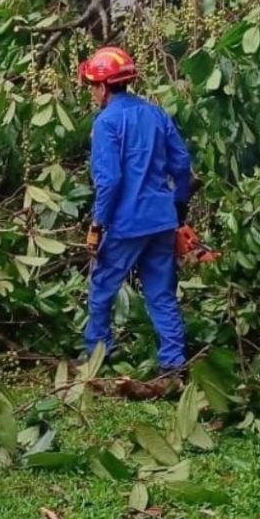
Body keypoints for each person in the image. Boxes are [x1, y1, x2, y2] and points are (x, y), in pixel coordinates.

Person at [78, 46, 194, 384]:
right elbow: (183, 165)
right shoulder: (156, 114)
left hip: (126, 223)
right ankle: (173, 365)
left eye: (92, 86)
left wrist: (98, 224)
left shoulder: (106, 122)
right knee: (161, 293)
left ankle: (96, 356)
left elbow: (110, 180)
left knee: (102, 289)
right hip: (161, 219)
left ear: (101, 87)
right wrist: (179, 206)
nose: (92, 93)